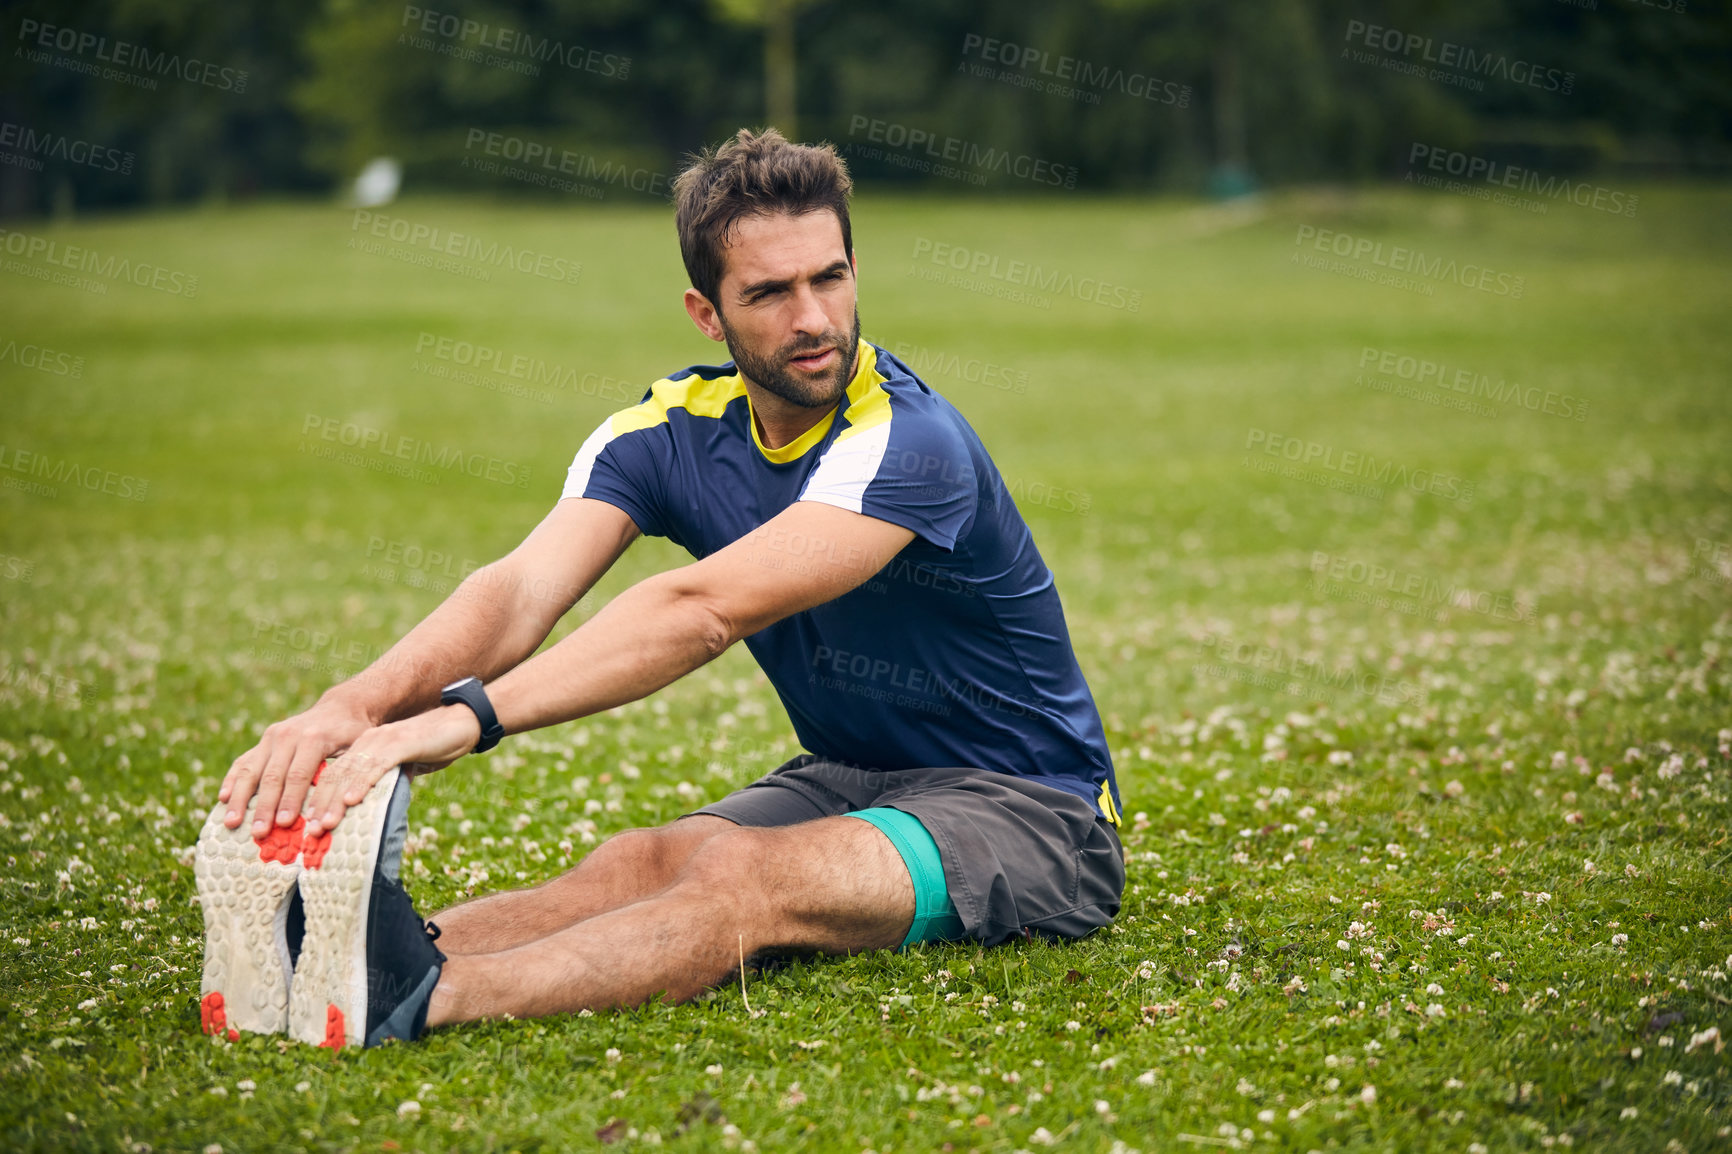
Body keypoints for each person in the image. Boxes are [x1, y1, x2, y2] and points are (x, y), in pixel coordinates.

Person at [195, 127, 1124, 1050]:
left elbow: (700, 609)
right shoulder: (666, 429)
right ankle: (318, 955)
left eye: (829, 278)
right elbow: (521, 588)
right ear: (707, 314)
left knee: (744, 880)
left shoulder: (910, 442)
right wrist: (350, 707)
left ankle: (421, 997)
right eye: (769, 292)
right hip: (853, 777)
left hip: (1029, 810)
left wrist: (467, 717)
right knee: (635, 862)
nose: (813, 319)